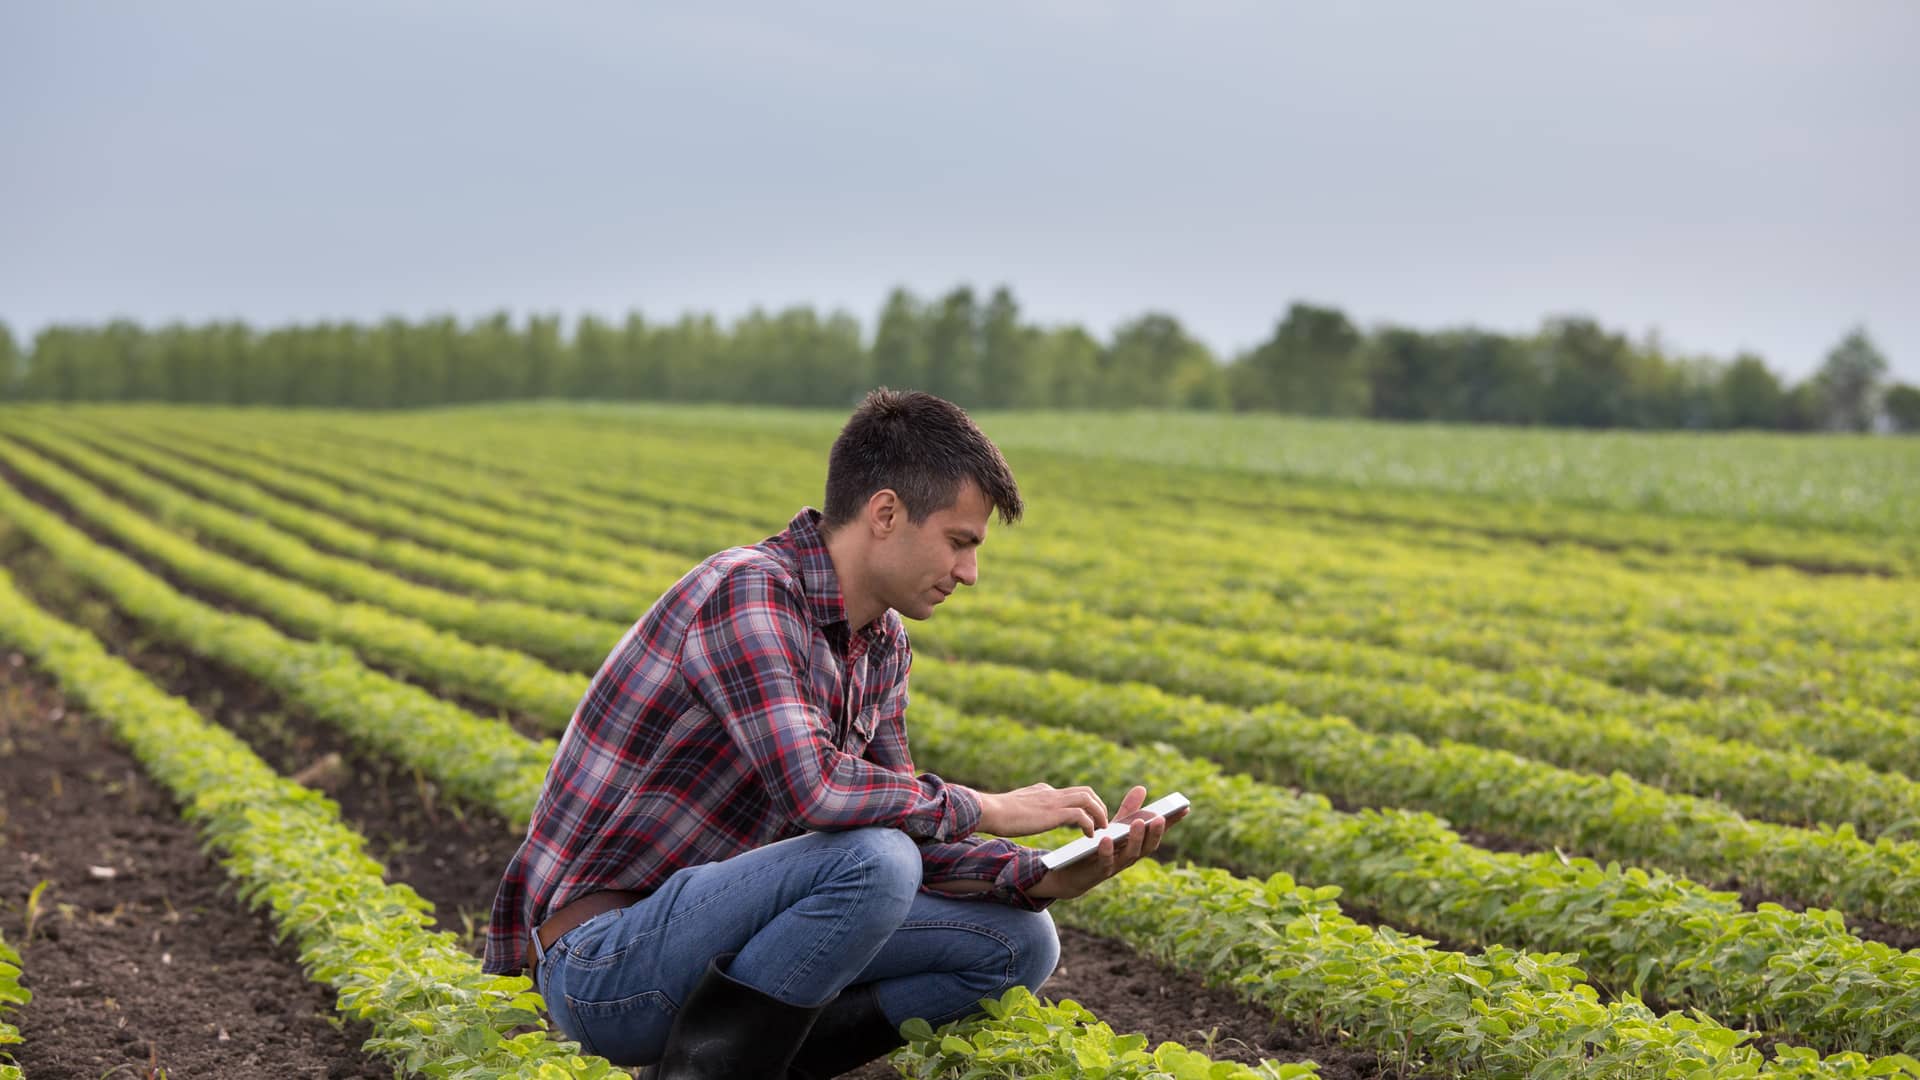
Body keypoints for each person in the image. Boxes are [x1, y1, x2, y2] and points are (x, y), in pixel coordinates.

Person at [482, 387, 1184, 1079]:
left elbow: (902, 822)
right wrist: (989, 806)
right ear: (886, 513)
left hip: (720, 940)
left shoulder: (882, 644)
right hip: (606, 961)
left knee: (1019, 945)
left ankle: (739, 1066)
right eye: (960, 543)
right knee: (874, 862)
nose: (969, 573)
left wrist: (1045, 874)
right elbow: (820, 793)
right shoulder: (748, 592)